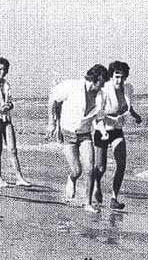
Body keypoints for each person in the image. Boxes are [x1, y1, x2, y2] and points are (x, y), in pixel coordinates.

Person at [46, 64, 109, 213]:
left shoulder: (101, 96)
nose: (102, 87)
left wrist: (103, 130)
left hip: (85, 134)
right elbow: (53, 99)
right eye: (101, 83)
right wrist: (52, 122)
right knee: (77, 170)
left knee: (90, 168)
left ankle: (88, 203)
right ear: (94, 79)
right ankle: (72, 179)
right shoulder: (72, 86)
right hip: (68, 133)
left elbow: (98, 118)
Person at [93, 61, 142, 210]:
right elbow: (99, 113)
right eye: (116, 77)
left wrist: (136, 116)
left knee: (121, 164)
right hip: (102, 129)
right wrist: (102, 131)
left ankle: (114, 198)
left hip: (117, 130)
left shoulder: (128, 88)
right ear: (111, 76)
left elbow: (128, 106)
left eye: (122, 77)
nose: (119, 80)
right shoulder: (104, 90)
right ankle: (96, 185)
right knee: (101, 168)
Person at [0, 57, 31, 188]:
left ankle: (19, 177)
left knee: (13, 148)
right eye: (0, 69)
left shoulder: (7, 85)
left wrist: (9, 106)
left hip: (6, 118)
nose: (2, 72)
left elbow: (10, 102)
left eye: (4, 69)